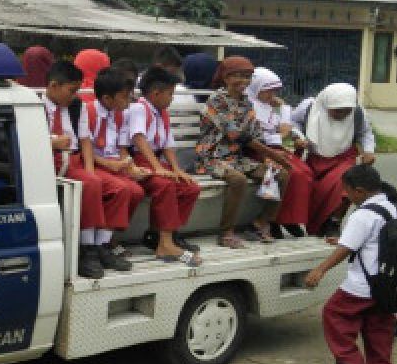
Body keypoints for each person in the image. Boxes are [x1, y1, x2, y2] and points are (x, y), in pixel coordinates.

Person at [302, 164, 397, 364]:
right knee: (379, 327)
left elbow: (347, 249)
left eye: (347, 190)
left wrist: (320, 270)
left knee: (335, 313)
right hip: (388, 282)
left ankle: (350, 361)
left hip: (364, 283)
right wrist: (346, 239)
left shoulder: (363, 215)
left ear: (360, 191)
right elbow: (372, 238)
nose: (345, 195)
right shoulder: (392, 206)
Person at [43, 61, 136, 279]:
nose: (75, 95)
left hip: (73, 161)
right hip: (49, 162)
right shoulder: (36, 105)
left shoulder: (77, 107)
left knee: (120, 188)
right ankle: (87, 250)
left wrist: (89, 169)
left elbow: (85, 141)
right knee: (92, 184)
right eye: (71, 90)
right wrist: (52, 143)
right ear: (54, 86)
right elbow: (28, 138)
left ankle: (102, 245)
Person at [194, 56, 291, 247]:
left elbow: (256, 133)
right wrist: (272, 154)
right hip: (211, 158)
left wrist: (268, 160)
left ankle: (261, 222)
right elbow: (236, 135)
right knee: (237, 179)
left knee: (281, 174)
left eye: (247, 76)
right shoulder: (216, 101)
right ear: (225, 77)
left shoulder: (247, 102)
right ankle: (226, 233)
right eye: (237, 76)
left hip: (235, 158)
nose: (243, 81)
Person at [128, 66, 202, 266]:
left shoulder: (162, 112)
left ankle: (166, 235)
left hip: (156, 161)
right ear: (156, 93)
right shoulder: (139, 108)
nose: (171, 98)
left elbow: (168, 144)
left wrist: (176, 169)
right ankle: (165, 245)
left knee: (190, 187)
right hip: (139, 162)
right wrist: (157, 168)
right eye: (170, 94)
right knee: (164, 185)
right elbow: (138, 138)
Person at [290, 83, 376, 236]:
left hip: (344, 157)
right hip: (314, 158)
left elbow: (365, 132)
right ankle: (306, 223)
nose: (343, 114)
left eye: (346, 111)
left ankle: (334, 222)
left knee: (346, 184)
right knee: (308, 185)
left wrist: (369, 151)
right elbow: (292, 122)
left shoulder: (357, 113)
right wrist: (298, 136)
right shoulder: (309, 106)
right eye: (337, 111)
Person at [86, 68, 149, 268]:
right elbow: (82, 150)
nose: (128, 101)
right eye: (124, 96)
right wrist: (110, 164)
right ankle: (96, 247)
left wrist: (130, 167)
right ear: (107, 98)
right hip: (94, 164)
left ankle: (106, 239)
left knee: (137, 191)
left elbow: (121, 149)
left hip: (111, 165)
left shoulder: (120, 115)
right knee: (121, 189)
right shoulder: (89, 112)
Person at [247, 67, 312, 238]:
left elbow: (285, 126)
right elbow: (258, 138)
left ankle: (290, 219)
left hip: (274, 148)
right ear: (257, 88)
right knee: (292, 172)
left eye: (274, 91)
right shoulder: (250, 106)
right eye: (268, 91)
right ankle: (275, 219)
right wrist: (282, 135)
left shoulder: (266, 106)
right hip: (258, 151)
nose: (272, 95)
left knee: (304, 172)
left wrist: (283, 108)